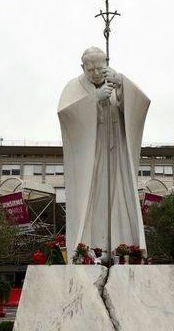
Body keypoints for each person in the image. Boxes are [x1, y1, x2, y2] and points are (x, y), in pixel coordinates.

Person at [58, 46, 150, 253]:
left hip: (116, 156)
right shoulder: (73, 87)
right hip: (92, 159)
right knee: (94, 202)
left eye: (100, 68)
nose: (96, 73)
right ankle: (90, 249)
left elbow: (140, 106)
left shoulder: (115, 81)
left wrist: (122, 84)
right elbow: (66, 115)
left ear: (106, 62)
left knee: (119, 198)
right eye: (90, 70)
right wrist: (95, 99)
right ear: (82, 67)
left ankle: (124, 249)